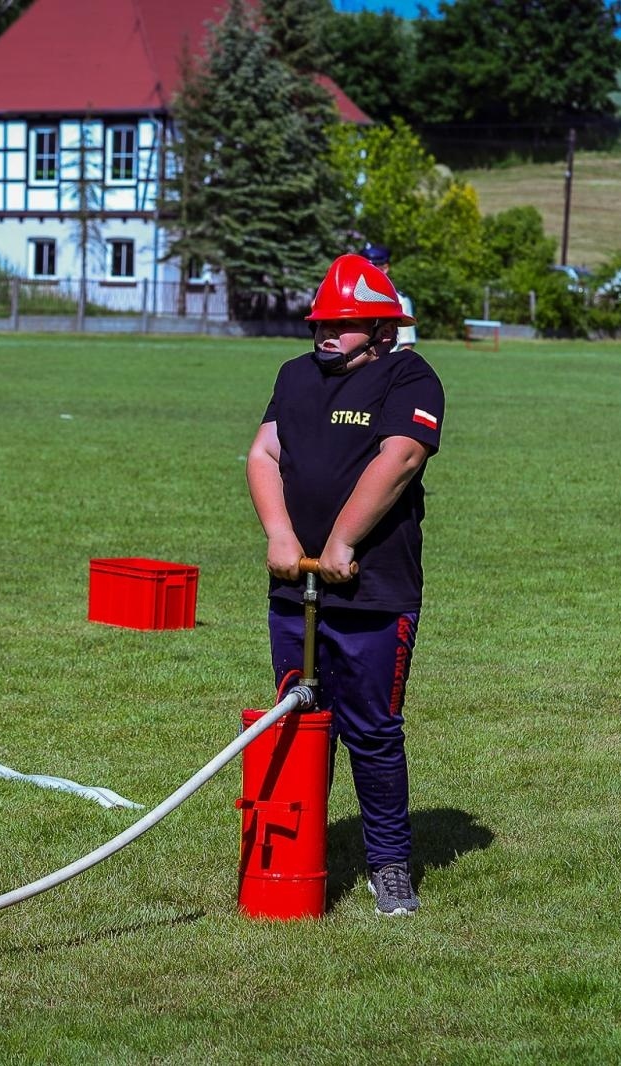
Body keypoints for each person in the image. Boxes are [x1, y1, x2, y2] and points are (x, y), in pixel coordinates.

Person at [246, 253, 443, 916]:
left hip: (373, 592)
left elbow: (403, 456)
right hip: (293, 593)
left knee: (373, 731)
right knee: (299, 724)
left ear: (383, 330)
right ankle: (295, 856)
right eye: (322, 320)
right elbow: (264, 452)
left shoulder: (408, 376)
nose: (327, 331)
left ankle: (389, 864)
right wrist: (279, 533)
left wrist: (342, 541)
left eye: (345, 322)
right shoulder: (294, 376)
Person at [360, 243, 417, 349]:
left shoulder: (400, 300)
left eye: (372, 266)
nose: (366, 270)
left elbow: (406, 344)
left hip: (387, 362)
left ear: (385, 268)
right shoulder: (355, 296)